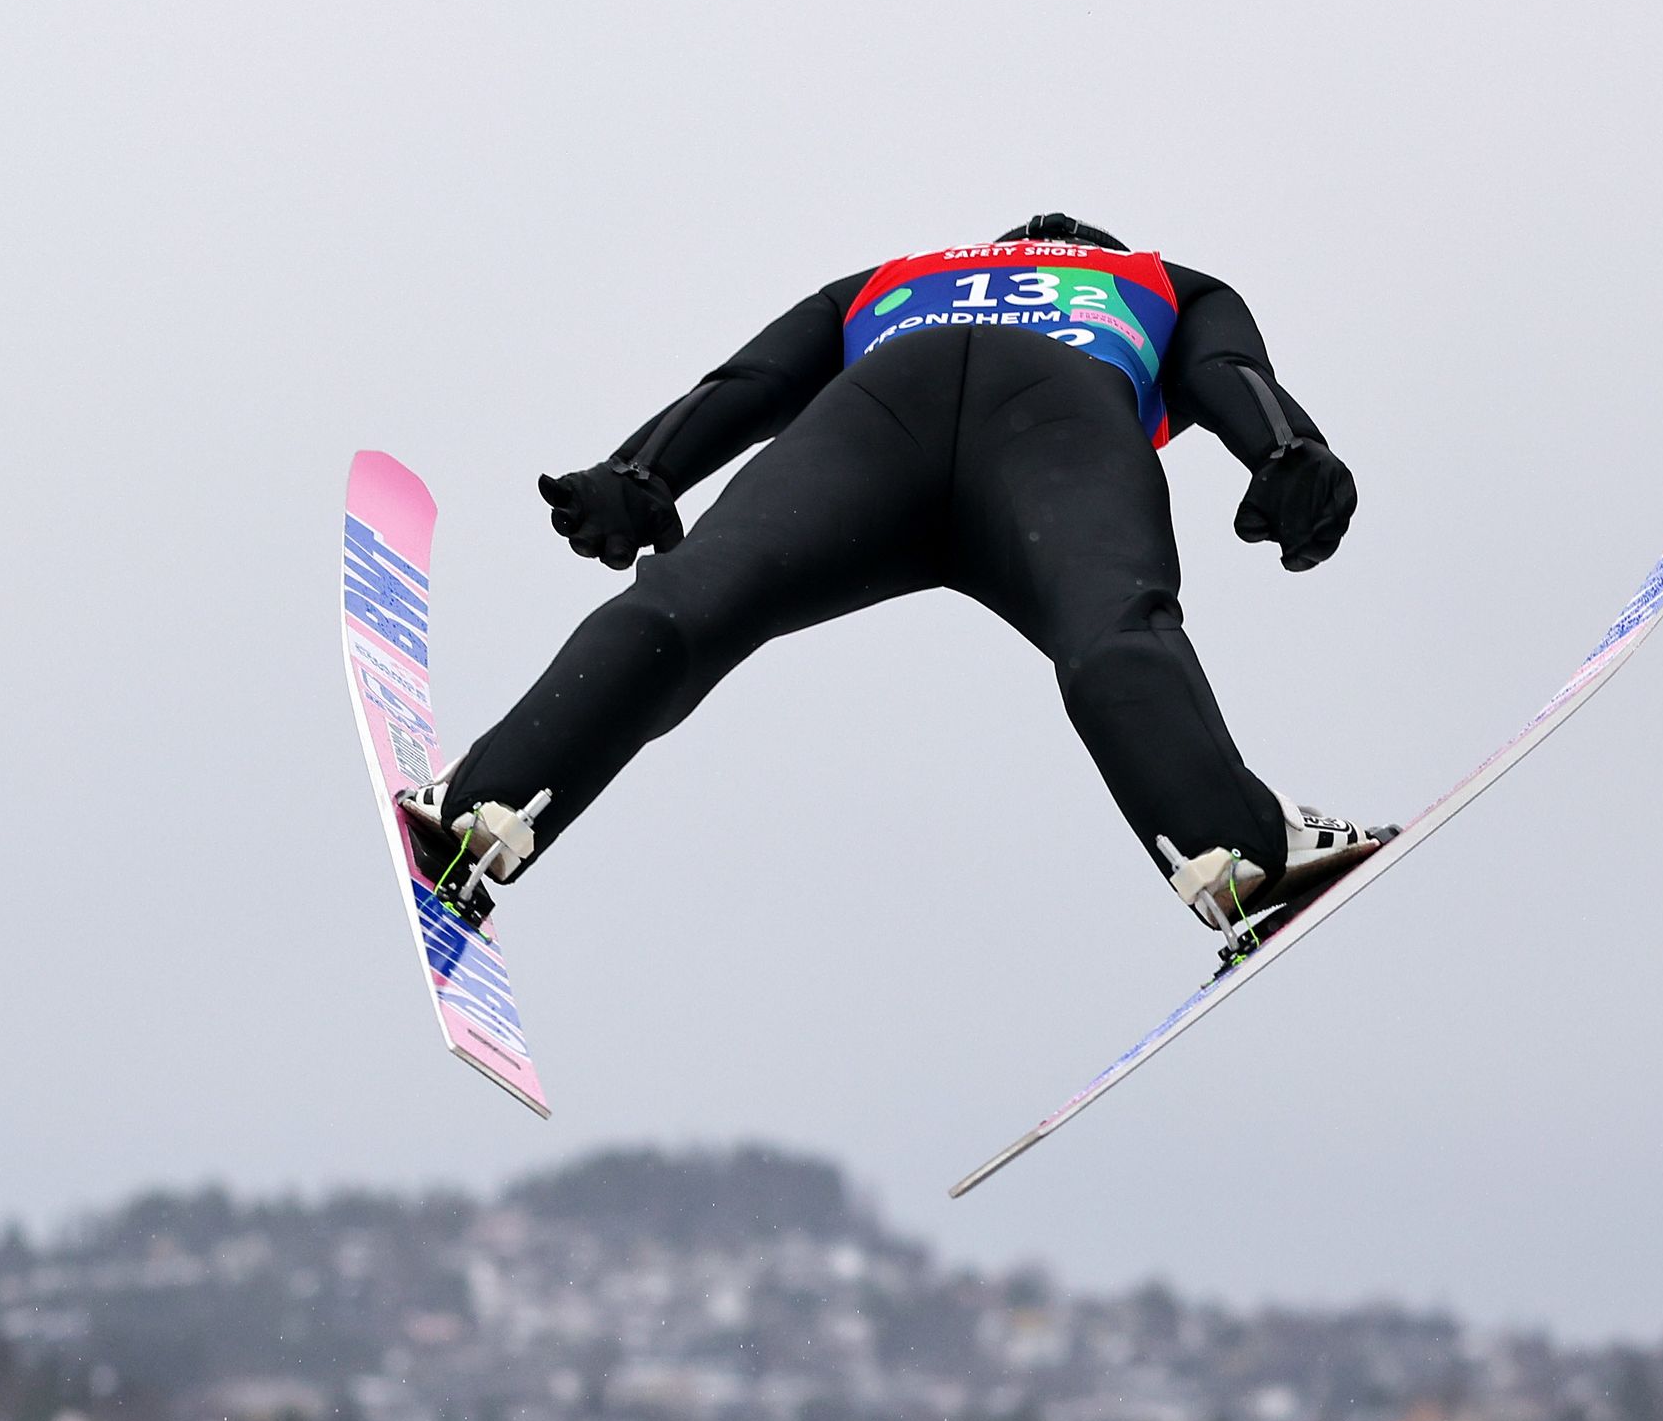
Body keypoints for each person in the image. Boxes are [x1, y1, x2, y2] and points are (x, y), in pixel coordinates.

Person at [399, 214, 1381, 957]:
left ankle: (487, 802)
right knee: (1112, 628)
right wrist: (1289, 452)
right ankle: (1235, 848)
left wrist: (641, 473)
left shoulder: (891, 282)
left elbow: (743, 386)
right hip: (1057, 414)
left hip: (877, 410)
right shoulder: (1160, 282)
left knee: (694, 601)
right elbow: (1227, 368)